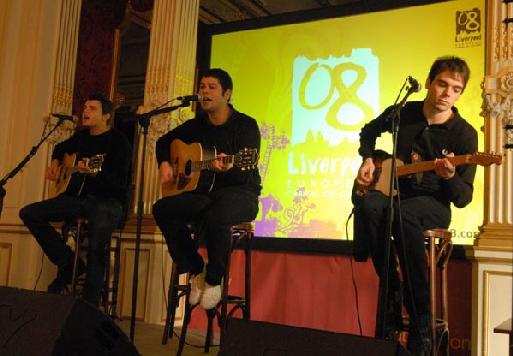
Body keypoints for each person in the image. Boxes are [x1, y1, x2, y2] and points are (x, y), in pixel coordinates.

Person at [352, 56, 477, 356]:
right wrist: (368, 158)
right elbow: (368, 132)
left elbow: (463, 198)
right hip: (396, 193)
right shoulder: (404, 113)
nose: (447, 93)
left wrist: (448, 177)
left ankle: (420, 318)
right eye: (442, 84)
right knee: (369, 205)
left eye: (456, 89)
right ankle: (392, 285)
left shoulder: (465, 134)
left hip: (434, 204)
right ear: (429, 83)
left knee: (404, 216)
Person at [152, 68, 261, 310]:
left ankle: (214, 279)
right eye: (202, 87)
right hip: (205, 193)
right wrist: (165, 164)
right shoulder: (195, 126)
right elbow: (163, 142)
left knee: (217, 213)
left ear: (227, 94)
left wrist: (228, 167)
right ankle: (195, 267)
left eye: (212, 87)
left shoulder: (245, 125)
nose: (204, 91)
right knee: (162, 208)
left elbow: (247, 167)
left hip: (241, 192)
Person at [19, 93, 131, 307]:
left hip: (107, 201)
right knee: (29, 212)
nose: (85, 111)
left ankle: (88, 303)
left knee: (98, 240)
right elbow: (61, 148)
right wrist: (55, 161)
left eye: (92, 108)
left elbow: (119, 184)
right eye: (85, 107)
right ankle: (69, 263)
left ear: (106, 116)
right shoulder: (81, 137)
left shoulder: (119, 142)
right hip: (78, 199)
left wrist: (94, 172)